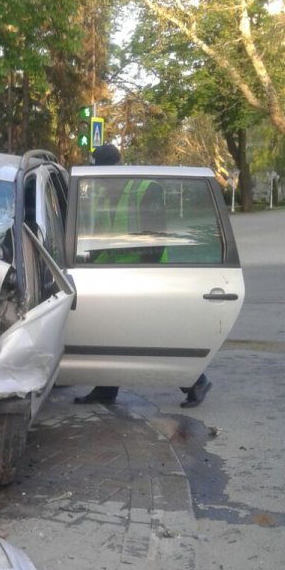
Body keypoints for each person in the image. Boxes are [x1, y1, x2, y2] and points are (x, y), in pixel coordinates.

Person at [74, 143, 212, 409]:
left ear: (110, 169)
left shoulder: (145, 188)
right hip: (116, 272)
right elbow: (106, 238)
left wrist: (142, 273)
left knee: (153, 334)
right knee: (109, 333)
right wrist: (84, 261)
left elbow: (156, 235)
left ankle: (197, 381)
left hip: (145, 272)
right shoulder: (106, 194)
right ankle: (105, 388)